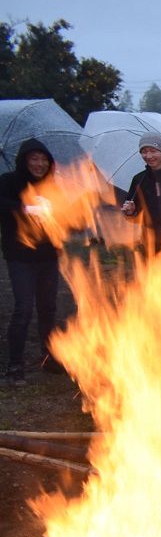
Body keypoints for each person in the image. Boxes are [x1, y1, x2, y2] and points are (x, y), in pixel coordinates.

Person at [0, 139, 64, 386]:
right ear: (25, 160)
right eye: (34, 159)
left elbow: (62, 219)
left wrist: (54, 211)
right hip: (20, 258)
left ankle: (49, 358)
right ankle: (15, 364)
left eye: (43, 159)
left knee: (48, 309)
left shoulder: (51, 186)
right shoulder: (8, 182)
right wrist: (26, 208)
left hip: (47, 258)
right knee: (23, 309)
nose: (39, 164)